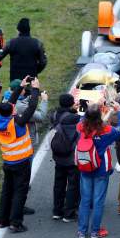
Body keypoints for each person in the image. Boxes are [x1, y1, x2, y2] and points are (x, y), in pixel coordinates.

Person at [76, 101, 120, 238]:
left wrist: (90, 108)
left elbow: (82, 119)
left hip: (85, 167)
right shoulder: (107, 130)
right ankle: (95, 231)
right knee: (98, 201)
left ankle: (82, 231)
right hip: (101, 169)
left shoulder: (80, 127)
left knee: (85, 200)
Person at [0, 77, 40, 232]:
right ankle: (16, 223)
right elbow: (32, 106)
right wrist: (35, 89)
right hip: (21, 162)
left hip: (8, 161)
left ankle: (2, 220)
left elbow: (9, 104)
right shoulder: (18, 122)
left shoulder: (0, 119)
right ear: (12, 111)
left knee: (7, 191)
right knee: (20, 193)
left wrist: (20, 87)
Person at [50, 93, 80, 221]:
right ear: (72, 103)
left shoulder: (55, 115)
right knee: (73, 185)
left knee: (59, 183)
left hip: (58, 155)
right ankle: (69, 213)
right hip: (72, 157)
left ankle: (57, 211)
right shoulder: (75, 118)